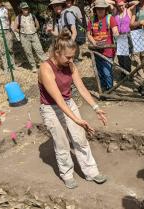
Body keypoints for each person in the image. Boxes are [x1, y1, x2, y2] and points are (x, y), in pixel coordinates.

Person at [39, 28, 107, 189]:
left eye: (73, 57)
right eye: (68, 57)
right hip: (51, 107)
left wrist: (96, 107)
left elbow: (81, 88)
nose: (71, 60)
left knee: (80, 138)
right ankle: (67, 174)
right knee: (62, 143)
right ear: (57, 52)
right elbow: (58, 99)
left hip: (68, 103)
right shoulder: (45, 68)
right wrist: (78, 120)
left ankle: (91, 172)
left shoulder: (70, 65)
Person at [87, 0, 119, 91]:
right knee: (100, 71)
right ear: (95, 10)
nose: (100, 10)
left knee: (107, 71)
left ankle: (110, 89)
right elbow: (89, 34)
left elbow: (115, 31)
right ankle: (103, 88)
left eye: (102, 8)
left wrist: (118, 38)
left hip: (108, 50)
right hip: (96, 50)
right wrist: (94, 42)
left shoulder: (110, 18)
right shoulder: (92, 20)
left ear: (105, 9)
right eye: (98, 8)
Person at [14, 2, 47, 73]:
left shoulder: (32, 15)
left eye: (26, 8)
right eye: (24, 8)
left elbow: (37, 24)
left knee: (39, 49)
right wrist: (22, 32)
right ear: (21, 9)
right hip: (24, 37)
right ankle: (33, 66)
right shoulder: (18, 17)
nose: (26, 9)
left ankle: (46, 63)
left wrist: (35, 29)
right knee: (28, 52)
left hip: (34, 35)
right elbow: (15, 28)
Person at [0, 0, 15, 73]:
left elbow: (10, 17)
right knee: (2, 51)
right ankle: (6, 67)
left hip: (7, 30)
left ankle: (12, 65)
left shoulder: (5, 9)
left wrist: (8, 26)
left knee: (10, 48)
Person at [115, 0, 132, 74]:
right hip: (118, 36)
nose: (121, 7)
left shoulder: (128, 11)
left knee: (126, 56)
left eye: (122, 5)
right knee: (120, 56)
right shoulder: (115, 12)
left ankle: (128, 72)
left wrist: (127, 3)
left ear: (125, 4)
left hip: (127, 35)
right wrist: (115, 3)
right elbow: (106, 2)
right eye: (119, 6)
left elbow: (137, 3)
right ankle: (123, 73)